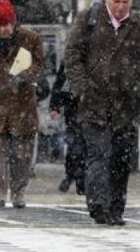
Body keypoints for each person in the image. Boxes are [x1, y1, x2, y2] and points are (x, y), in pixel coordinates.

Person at [65, 0, 140, 226]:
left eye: (125, 2)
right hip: (93, 102)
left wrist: (139, 89)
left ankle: (116, 207)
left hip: (126, 105)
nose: (121, 7)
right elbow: (72, 55)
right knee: (98, 155)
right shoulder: (89, 20)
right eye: (117, 1)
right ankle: (98, 204)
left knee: (120, 159)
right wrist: (82, 88)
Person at [0, 0, 45, 209]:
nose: (4, 29)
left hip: (22, 104)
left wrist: (26, 76)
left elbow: (40, 64)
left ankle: (18, 191)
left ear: (14, 22)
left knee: (21, 154)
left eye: (7, 24)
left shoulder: (31, 39)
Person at [50, 62, 85, 195]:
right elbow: (59, 84)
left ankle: (78, 176)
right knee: (75, 146)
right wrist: (55, 106)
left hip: (88, 109)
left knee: (83, 146)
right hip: (74, 110)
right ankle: (74, 175)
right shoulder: (71, 60)